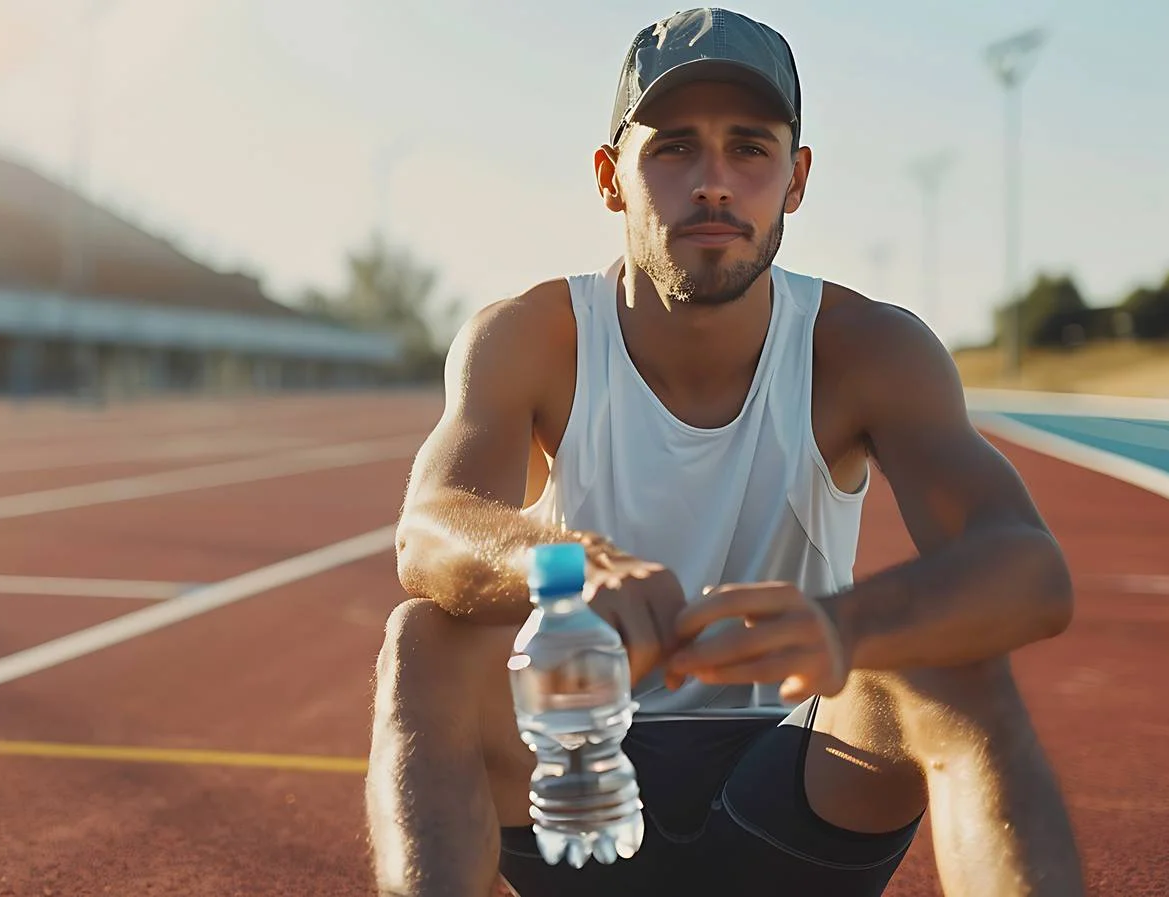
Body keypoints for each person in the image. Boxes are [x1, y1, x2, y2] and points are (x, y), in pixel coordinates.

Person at [365, 8, 1085, 897]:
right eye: (672, 149)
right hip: (579, 779)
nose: (713, 183)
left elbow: (1028, 569)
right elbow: (427, 534)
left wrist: (844, 625)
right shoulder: (531, 335)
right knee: (425, 638)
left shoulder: (864, 347)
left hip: (794, 792)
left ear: (795, 178)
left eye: (750, 149)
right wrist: (565, 566)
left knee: (944, 652)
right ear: (609, 177)